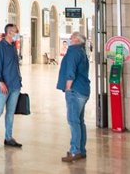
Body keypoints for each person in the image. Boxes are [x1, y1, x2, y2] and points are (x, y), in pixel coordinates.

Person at [56, 31, 90, 162]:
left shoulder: (73, 51)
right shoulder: (82, 52)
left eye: (72, 37)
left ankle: (75, 151)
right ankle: (81, 150)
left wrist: (68, 87)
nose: (70, 39)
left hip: (75, 91)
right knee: (80, 121)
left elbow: (71, 70)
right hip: (84, 90)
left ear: (76, 40)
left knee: (73, 121)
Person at [0, 23, 22, 149]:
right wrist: (0, 82)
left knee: (10, 113)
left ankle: (9, 137)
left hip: (15, 85)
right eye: (16, 31)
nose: (17, 33)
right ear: (9, 33)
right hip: (3, 85)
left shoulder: (13, 47)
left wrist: (19, 81)